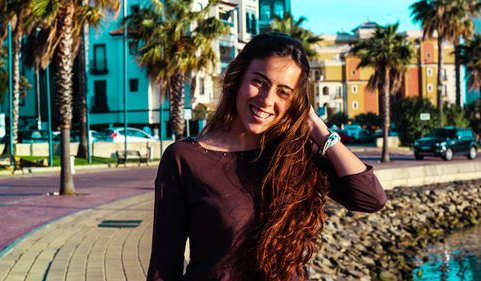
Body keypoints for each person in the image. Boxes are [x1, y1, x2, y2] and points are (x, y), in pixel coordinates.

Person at [148, 33, 386, 281]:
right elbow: (163, 267)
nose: (267, 100)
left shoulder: (296, 153)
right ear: (238, 77)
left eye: (283, 92)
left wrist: (317, 126)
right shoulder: (184, 158)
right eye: (259, 82)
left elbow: (370, 198)